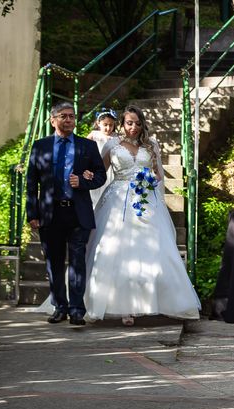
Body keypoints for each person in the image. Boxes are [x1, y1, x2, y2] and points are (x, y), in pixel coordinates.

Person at [83, 105, 200, 325]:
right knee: (115, 251)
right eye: (129, 123)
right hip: (117, 203)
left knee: (152, 252)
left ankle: (146, 304)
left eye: (137, 123)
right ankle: (121, 307)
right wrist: (87, 176)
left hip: (146, 200)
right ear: (122, 124)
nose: (133, 127)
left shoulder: (151, 144)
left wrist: (150, 180)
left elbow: (157, 174)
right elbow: (101, 171)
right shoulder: (112, 144)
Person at [26, 101, 107, 326]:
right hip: (49, 214)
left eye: (72, 116)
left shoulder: (87, 147)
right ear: (53, 120)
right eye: (64, 116)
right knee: (54, 262)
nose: (69, 120)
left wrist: (82, 181)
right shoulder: (40, 146)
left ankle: (77, 310)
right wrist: (32, 213)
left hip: (78, 213)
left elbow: (101, 175)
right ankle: (59, 307)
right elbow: (31, 182)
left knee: (77, 262)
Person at [87, 108, 118, 208]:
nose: (108, 128)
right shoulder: (94, 135)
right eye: (105, 125)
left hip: (111, 170)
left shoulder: (116, 137)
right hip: (96, 168)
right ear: (98, 123)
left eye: (111, 125)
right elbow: (84, 150)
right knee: (95, 194)